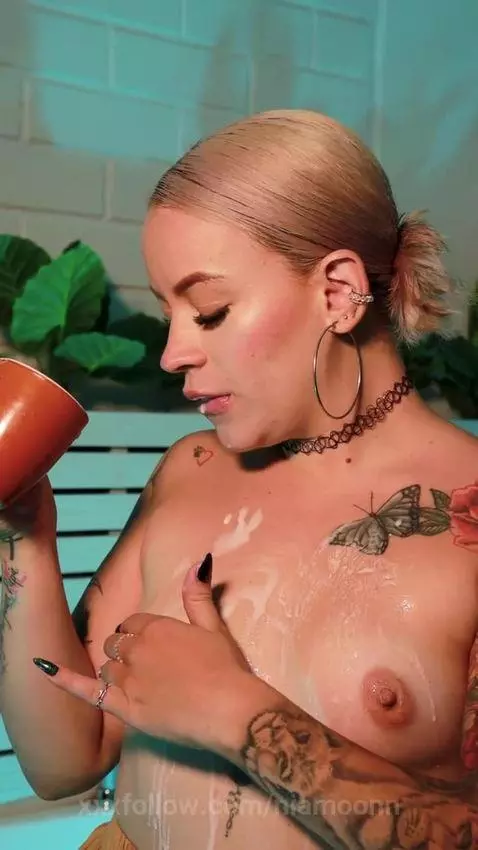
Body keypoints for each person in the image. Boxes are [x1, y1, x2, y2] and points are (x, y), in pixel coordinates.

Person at [1, 109, 478, 850]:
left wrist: (236, 713)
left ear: (339, 292)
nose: (172, 354)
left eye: (210, 310)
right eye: (169, 312)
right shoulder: (189, 472)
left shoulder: (466, 520)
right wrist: (24, 532)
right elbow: (65, 760)